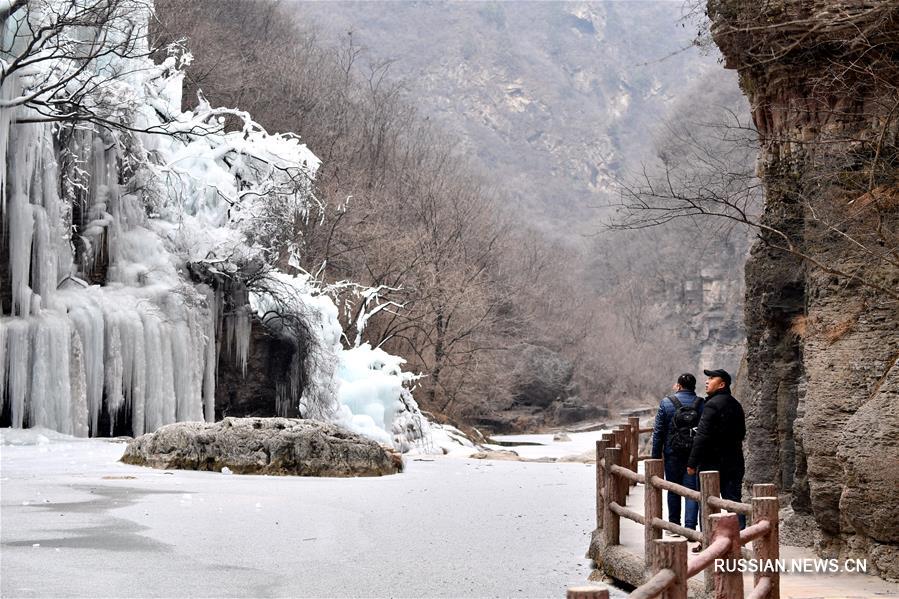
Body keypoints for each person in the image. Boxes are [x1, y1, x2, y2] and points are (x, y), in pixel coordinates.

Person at [687, 368, 747, 529]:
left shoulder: (712, 405)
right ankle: (740, 537)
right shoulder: (736, 404)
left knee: (708, 502)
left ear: (722, 384)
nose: (707, 381)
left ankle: (708, 538)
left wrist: (692, 463)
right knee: (734, 502)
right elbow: (742, 433)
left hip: (711, 463)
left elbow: (702, 436)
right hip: (734, 461)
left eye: (712, 378)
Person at [651, 373, 703, 531]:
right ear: (694, 386)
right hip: (693, 455)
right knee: (691, 491)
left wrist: (655, 457)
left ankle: (674, 526)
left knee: (673, 489)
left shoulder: (666, 403)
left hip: (671, 453)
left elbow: (658, 432)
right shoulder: (701, 403)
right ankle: (690, 528)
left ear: (679, 386)